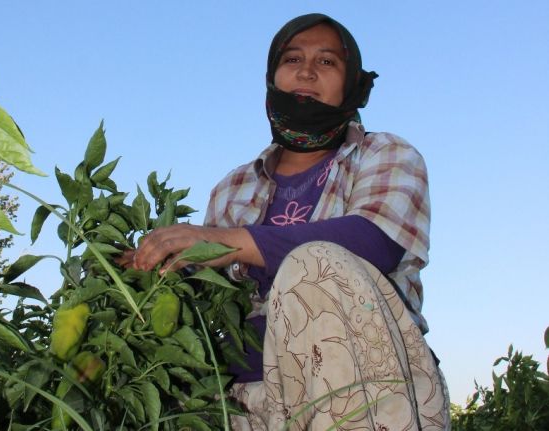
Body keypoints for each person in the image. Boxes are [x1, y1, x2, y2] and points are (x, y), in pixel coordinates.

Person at [126, 13, 450, 430]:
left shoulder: (385, 154)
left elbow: (373, 242)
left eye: (327, 62)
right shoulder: (234, 187)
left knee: (315, 262)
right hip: (247, 401)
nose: (308, 71)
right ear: (272, 77)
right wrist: (148, 268)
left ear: (352, 83)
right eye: (292, 59)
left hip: (366, 389)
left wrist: (222, 242)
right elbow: (205, 299)